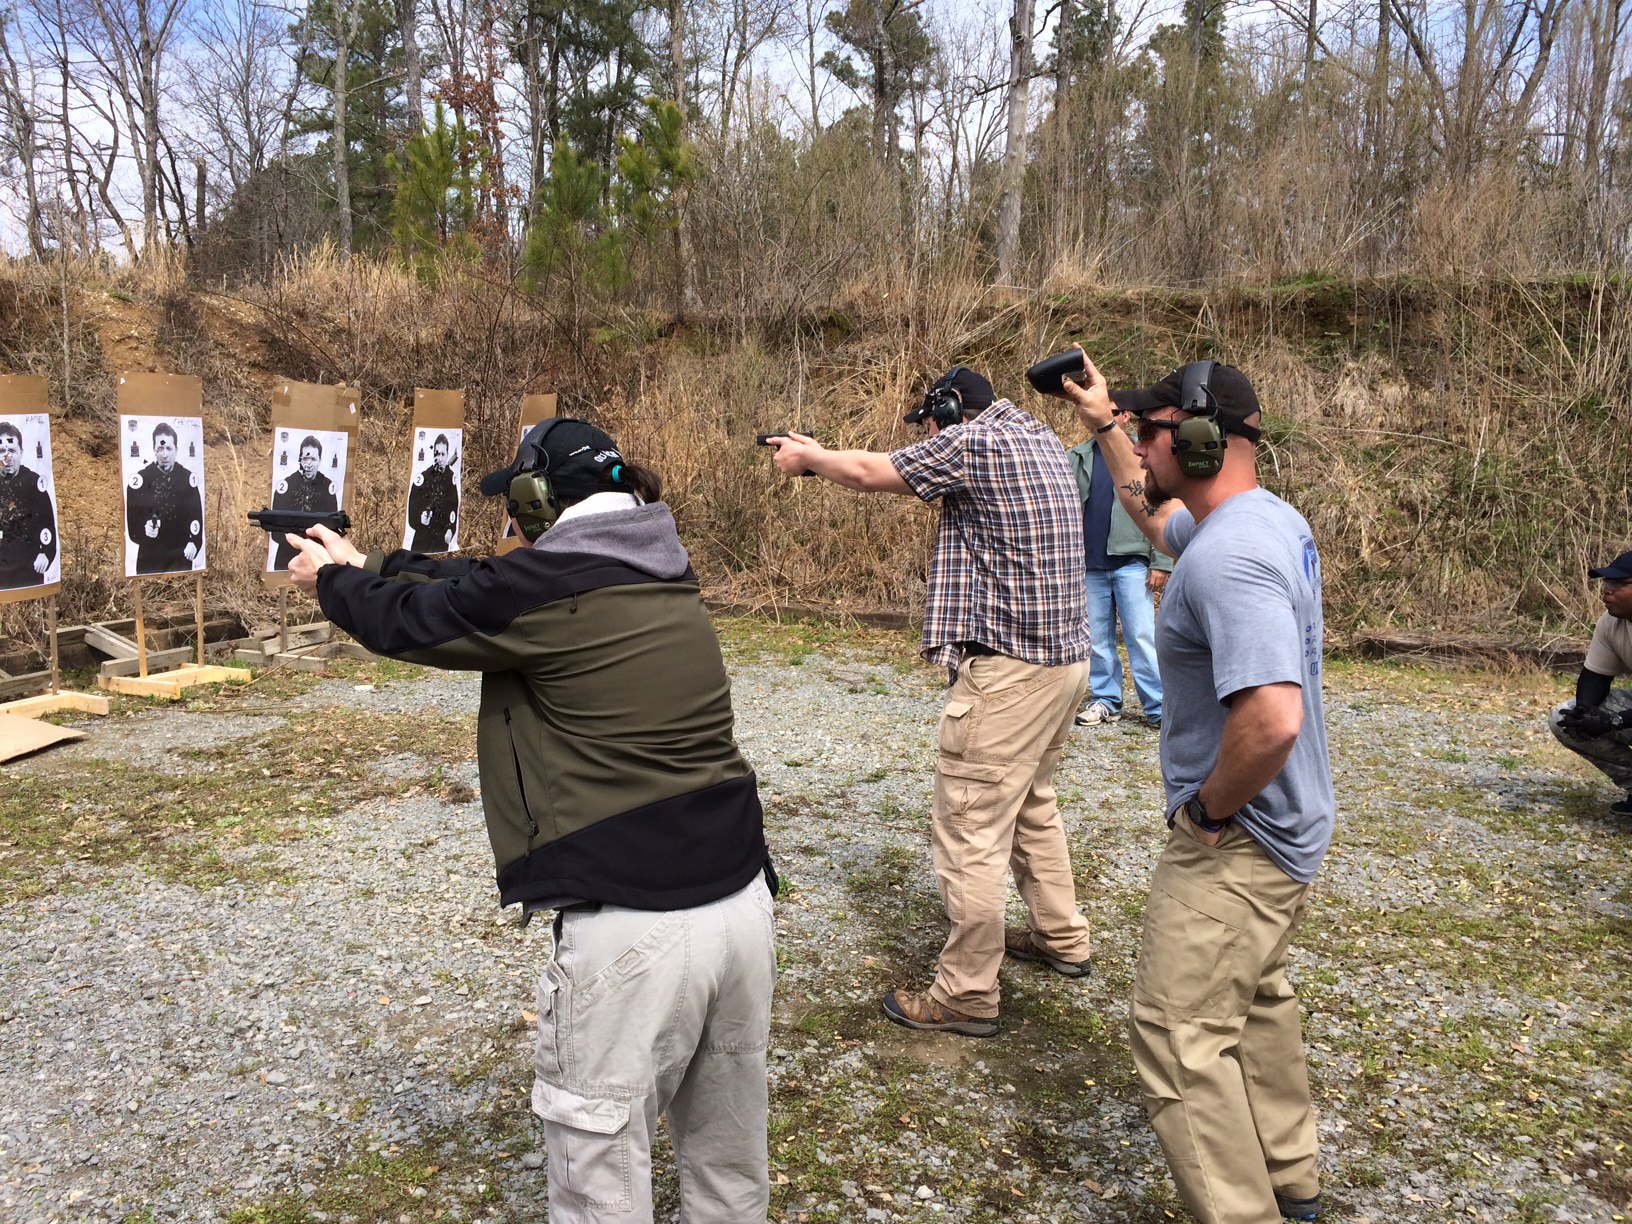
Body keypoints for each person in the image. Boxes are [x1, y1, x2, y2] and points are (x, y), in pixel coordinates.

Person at [286, 417, 777, 1223]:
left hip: (634, 923)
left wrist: (333, 583)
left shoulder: (542, 586)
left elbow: (413, 621)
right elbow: (477, 580)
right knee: (727, 1166)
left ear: (538, 499)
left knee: (600, 1180)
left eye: (514, 507)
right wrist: (367, 562)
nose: (509, 523)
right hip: (740, 900)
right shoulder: (661, 560)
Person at [1062, 350, 1333, 1223]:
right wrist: (1104, 425)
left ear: (1203, 439)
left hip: (1242, 838)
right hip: (1287, 830)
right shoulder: (1264, 521)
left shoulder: (1229, 560)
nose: (1140, 442)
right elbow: (1155, 518)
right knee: (1256, 999)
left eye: (1151, 428)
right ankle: (1291, 1179)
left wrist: (1209, 811)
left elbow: (1273, 720)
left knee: (1177, 1031)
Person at [767, 366, 1093, 1039]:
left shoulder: (974, 443)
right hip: (1063, 665)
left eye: (931, 425)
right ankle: (1061, 936)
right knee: (1031, 804)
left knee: (971, 824)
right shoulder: (1037, 437)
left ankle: (967, 994)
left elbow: (869, 472)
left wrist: (810, 459)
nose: (929, 439)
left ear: (949, 412)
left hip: (1010, 672)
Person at [1066, 399, 1172, 729]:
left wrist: (1161, 560)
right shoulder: (1077, 456)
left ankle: (1159, 707)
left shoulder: (1142, 456)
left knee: (1140, 636)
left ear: (1125, 416)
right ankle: (1106, 700)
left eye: (1112, 412)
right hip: (1089, 565)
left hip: (1132, 564)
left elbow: (1164, 506)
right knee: (1097, 640)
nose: (1101, 416)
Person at [1549, 550, 1632, 818]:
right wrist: (1585, 712)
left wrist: (1613, 721)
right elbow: (1596, 676)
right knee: (1562, 718)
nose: (1607, 590)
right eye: (1607, 582)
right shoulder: (1610, 624)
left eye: (1620, 583)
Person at [125, 422, 203, 574]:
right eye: (160, 449)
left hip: (180, 558)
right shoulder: (141, 480)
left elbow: (196, 516)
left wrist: (194, 542)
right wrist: (144, 530)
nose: (164, 454)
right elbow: (133, 524)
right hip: (150, 559)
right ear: (154, 450)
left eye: (168, 448)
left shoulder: (187, 479)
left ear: (176, 450)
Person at [0, 420, 58, 589]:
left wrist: (45, 553)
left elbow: (47, 526)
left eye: (12, 450)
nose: (7, 456)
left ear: (21, 453)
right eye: (2, 451)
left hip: (27, 569)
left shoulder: (34, 483)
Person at [269, 435, 339, 570]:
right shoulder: (287, 485)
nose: (309, 464)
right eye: (306, 458)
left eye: (313, 459)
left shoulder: (327, 487)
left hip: (318, 561)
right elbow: (276, 533)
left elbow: (333, 530)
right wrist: (299, 541)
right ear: (300, 460)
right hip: (287, 561)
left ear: (320, 461)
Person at [406, 432, 459, 552]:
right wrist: (420, 517)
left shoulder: (451, 480)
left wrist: (450, 530)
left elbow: (453, 508)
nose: (439, 458)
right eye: (437, 453)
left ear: (447, 455)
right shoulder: (423, 478)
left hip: (441, 544)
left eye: (442, 454)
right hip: (421, 543)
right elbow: (412, 509)